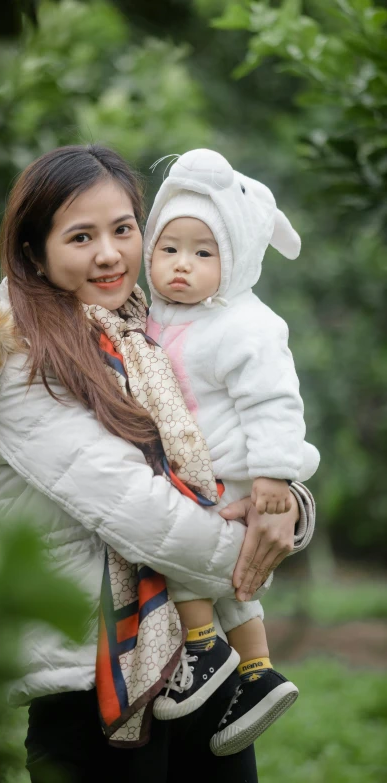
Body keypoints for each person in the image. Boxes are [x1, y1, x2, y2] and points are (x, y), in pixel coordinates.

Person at [0, 144, 315, 783]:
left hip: (195, 668)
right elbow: (139, 513)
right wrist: (257, 556)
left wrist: (288, 502)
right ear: (33, 252)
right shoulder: (19, 363)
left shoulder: (148, 332)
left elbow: (227, 447)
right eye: (81, 235)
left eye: (124, 229)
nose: (110, 253)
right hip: (94, 677)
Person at [143, 148, 319, 754]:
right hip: (204, 470)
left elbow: (274, 398)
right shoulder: (156, 318)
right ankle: (257, 672)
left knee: (179, 553)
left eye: (203, 252)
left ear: (236, 258)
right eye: (169, 250)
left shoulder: (247, 323)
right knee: (235, 586)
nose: (182, 266)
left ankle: (202, 650)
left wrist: (274, 474)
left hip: (233, 475)